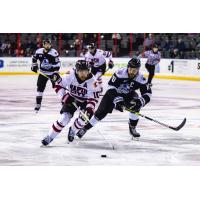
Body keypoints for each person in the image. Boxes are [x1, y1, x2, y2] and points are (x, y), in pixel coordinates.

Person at [75, 57, 152, 140]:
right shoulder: (120, 73)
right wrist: (118, 101)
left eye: (135, 70)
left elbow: (148, 93)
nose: (132, 72)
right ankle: (85, 128)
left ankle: (132, 127)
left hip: (128, 94)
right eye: (130, 69)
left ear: (138, 69)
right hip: (113, 94)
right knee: (100, 113)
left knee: (135, 106)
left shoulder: (141, 78)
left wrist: (140, 102)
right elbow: (111, 87)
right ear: (127, 67)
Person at [41, 60, 102, 146]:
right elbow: (58, 85)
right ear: (76, 70)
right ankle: (50, 137)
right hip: (71, 98)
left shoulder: (93, 82)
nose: (83, 74)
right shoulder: (70, 74)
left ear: (89, 70)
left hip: (85, 101)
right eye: (81, 71)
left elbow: (93, 99)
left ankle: (72, 130)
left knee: (83, 119)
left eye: (85, 71)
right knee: (64, 118)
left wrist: (89, 109)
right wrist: (64, 97)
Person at [31, 38, 61, 112]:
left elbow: (57, 64)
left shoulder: (54, 53)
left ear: (50, 45)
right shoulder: (39, 52)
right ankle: (38, 105)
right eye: (46, 44)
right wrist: (34, 66)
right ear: (43, 45)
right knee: (40, 89)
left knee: (58, 87)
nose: (47, 46)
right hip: (43, 73)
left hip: (52, 73)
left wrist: (55, 73)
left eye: (49, 44)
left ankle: (64, 103)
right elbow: (34, 58)